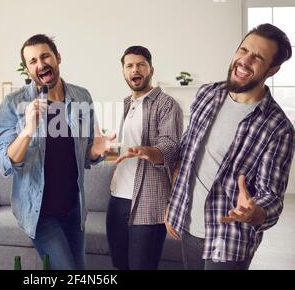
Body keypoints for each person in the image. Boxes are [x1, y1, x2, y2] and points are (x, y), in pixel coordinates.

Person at [166, 23, 294, 270]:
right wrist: (173, 203)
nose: (245, 60)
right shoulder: (207, 94)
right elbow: (187, 153)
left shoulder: (278, 127)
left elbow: (272, 196)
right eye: (243, 50)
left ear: (273, 69)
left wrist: (255, 212)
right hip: (188, 225)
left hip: (230, 237)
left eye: (257, 57)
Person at [0, 34, 114, 270]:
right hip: (40, 214)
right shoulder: (12, 104)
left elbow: (87, 154)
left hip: (73, 209)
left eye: (45, 56)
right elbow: (4, 163)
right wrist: (28, 130)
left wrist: (95, 151)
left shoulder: (82, 97)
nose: (41, 64)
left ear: (58, 57)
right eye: (33, 61)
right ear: (28, 69)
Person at [107, 46, 183, 270]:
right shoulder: (124, 104)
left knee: (142, 266)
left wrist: (147, 151)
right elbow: (118, 148)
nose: (135, 69)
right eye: (129, 66)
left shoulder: (167, 104)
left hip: (148, 200)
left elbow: (171, 146)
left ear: (151, 69)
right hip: (117, 197)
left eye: (141, 64)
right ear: (123, 72)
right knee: (120, 264)